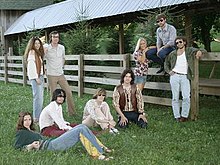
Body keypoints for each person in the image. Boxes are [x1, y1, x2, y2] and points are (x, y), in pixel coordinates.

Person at [15, 112, 113, 160]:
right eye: (25, 120)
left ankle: (101, 148)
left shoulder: (31, 130)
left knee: (82, 126)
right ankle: (98, 155)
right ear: (21, 121)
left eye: (29, 119)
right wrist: (31, 145)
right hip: (49, 147)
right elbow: (17, 147)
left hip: (51, 143)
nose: (28, 122)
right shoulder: (21, 132)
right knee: (80, 129)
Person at [164, 36, 207, 122]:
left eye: (180, 42)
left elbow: (204, 50)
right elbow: (166, 63)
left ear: (184, 42)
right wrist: (169, 71)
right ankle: (177, 116)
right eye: (176, 43)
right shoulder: (173, 53)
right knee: (175, 97)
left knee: (186, 97)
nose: (178, 44)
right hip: (174, 76)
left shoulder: (189, 51)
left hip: (185, 76)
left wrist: (199, 52)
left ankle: (184, 116)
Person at [44, 31, 75, 116]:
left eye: (57, 37)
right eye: (54, 37)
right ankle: (52, 114)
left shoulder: (62, 47)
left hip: (60, 74)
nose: (55, 39)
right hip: (51, 75)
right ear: (51, 38)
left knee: (68, 92)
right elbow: (41, 57)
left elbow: (63, 58)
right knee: (54, 95)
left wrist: (61, 66)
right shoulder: (47, 47)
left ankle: (72, 112)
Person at [24, 37, 45, 123]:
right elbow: (31, 65)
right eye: (35, 43)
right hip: (36, 77)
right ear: (32, 44)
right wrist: (36, 77)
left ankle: (39, 115)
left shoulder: (37, 53)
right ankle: (36, 118)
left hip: (39, 76)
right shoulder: (32, 52)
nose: (37, 45)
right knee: (38, 98)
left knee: (40, 97)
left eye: (39, 43)